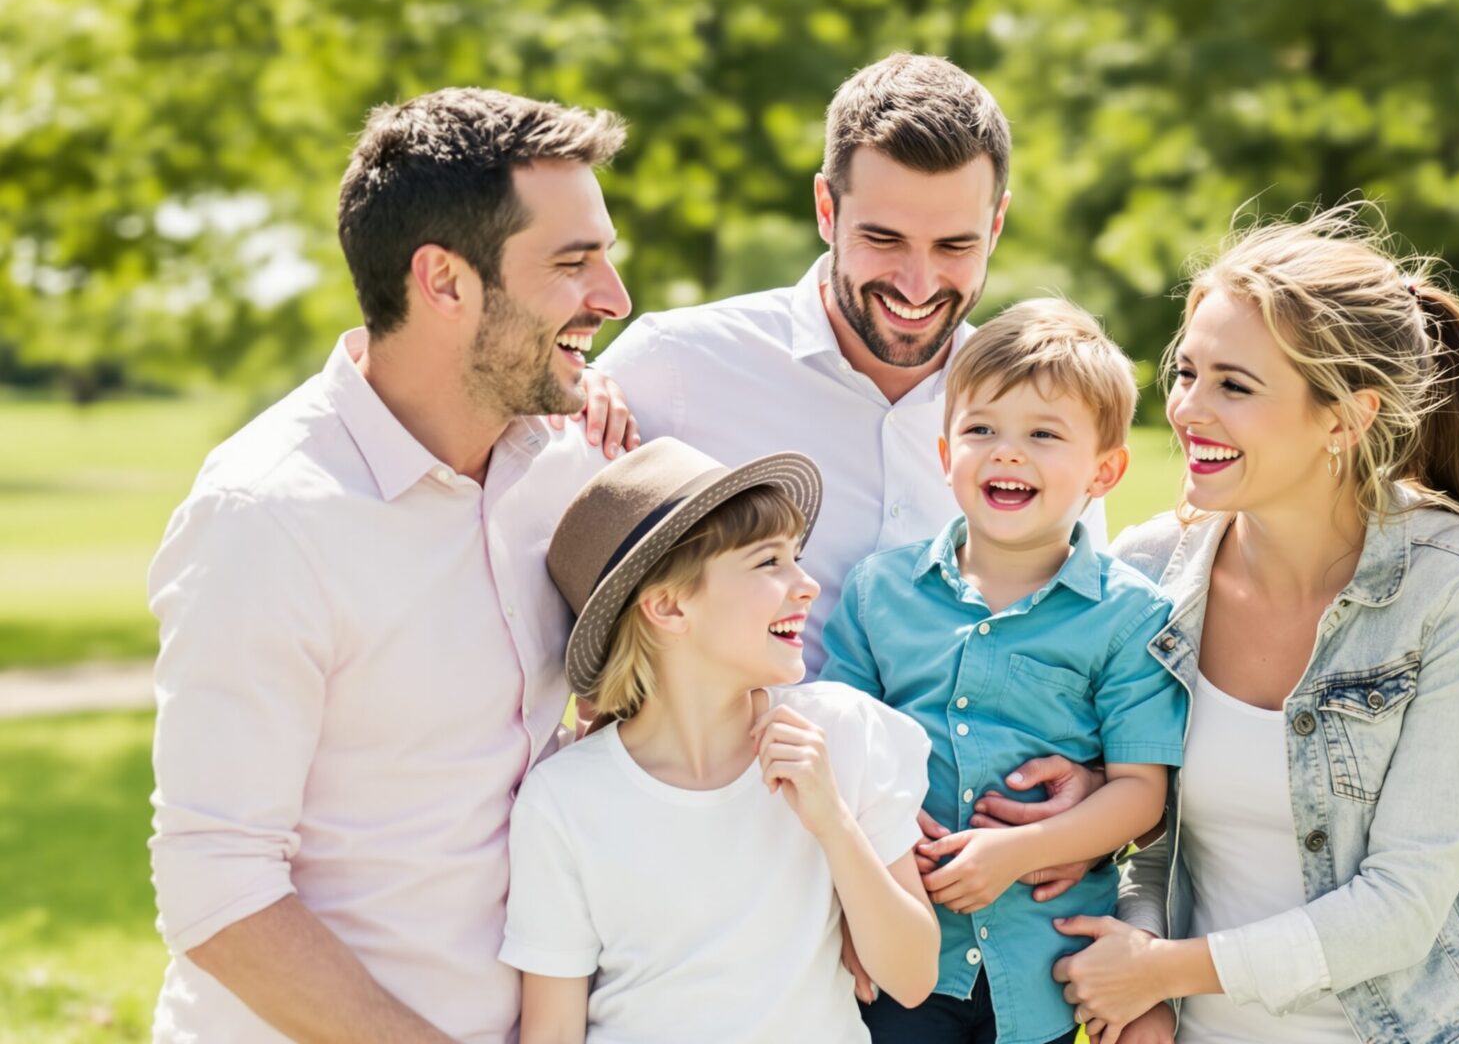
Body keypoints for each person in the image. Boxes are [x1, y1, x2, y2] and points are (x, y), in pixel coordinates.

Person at [146, 87, 639, 1042]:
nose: (614, 297)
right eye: (574, 263)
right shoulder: (266, 517)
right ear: (445, 283)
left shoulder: (570, 465)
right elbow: (216, 886)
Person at [1045, 205, 1459, 1043]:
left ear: (1346, 418)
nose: (1188, 408)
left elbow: (1401, 906)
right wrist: (1143, 974)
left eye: (1235, 385)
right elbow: (1147, 836)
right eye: (1186, 372)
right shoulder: (1147, 572)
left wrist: (1163, 970)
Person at [592, 52, 1106, 680]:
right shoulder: (674, 367)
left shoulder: (1047, 418)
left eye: (955, 245)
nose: (918, 286)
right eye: (883, 239)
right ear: (826, 210)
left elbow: (1083, 640)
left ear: (996, 225)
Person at [821, 300, 1190, 1044]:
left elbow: (1140, 794)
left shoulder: (1128, 615)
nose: (1007, 453)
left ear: (1105, 470)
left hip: (1040, 964)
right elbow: (840, 749)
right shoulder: (879, 592)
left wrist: (1019, 851)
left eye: (1043, 435)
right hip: (905, 948)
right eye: (981, 429)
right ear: (944, 452)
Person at [503, 438, 940, 1042]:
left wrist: (834, 824)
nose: (807, 584)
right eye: (769, 563)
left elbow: (912, 977)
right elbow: (551, 1031)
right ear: (668, 606)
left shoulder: (839, 733)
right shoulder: (566, 800)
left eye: (797, 557)